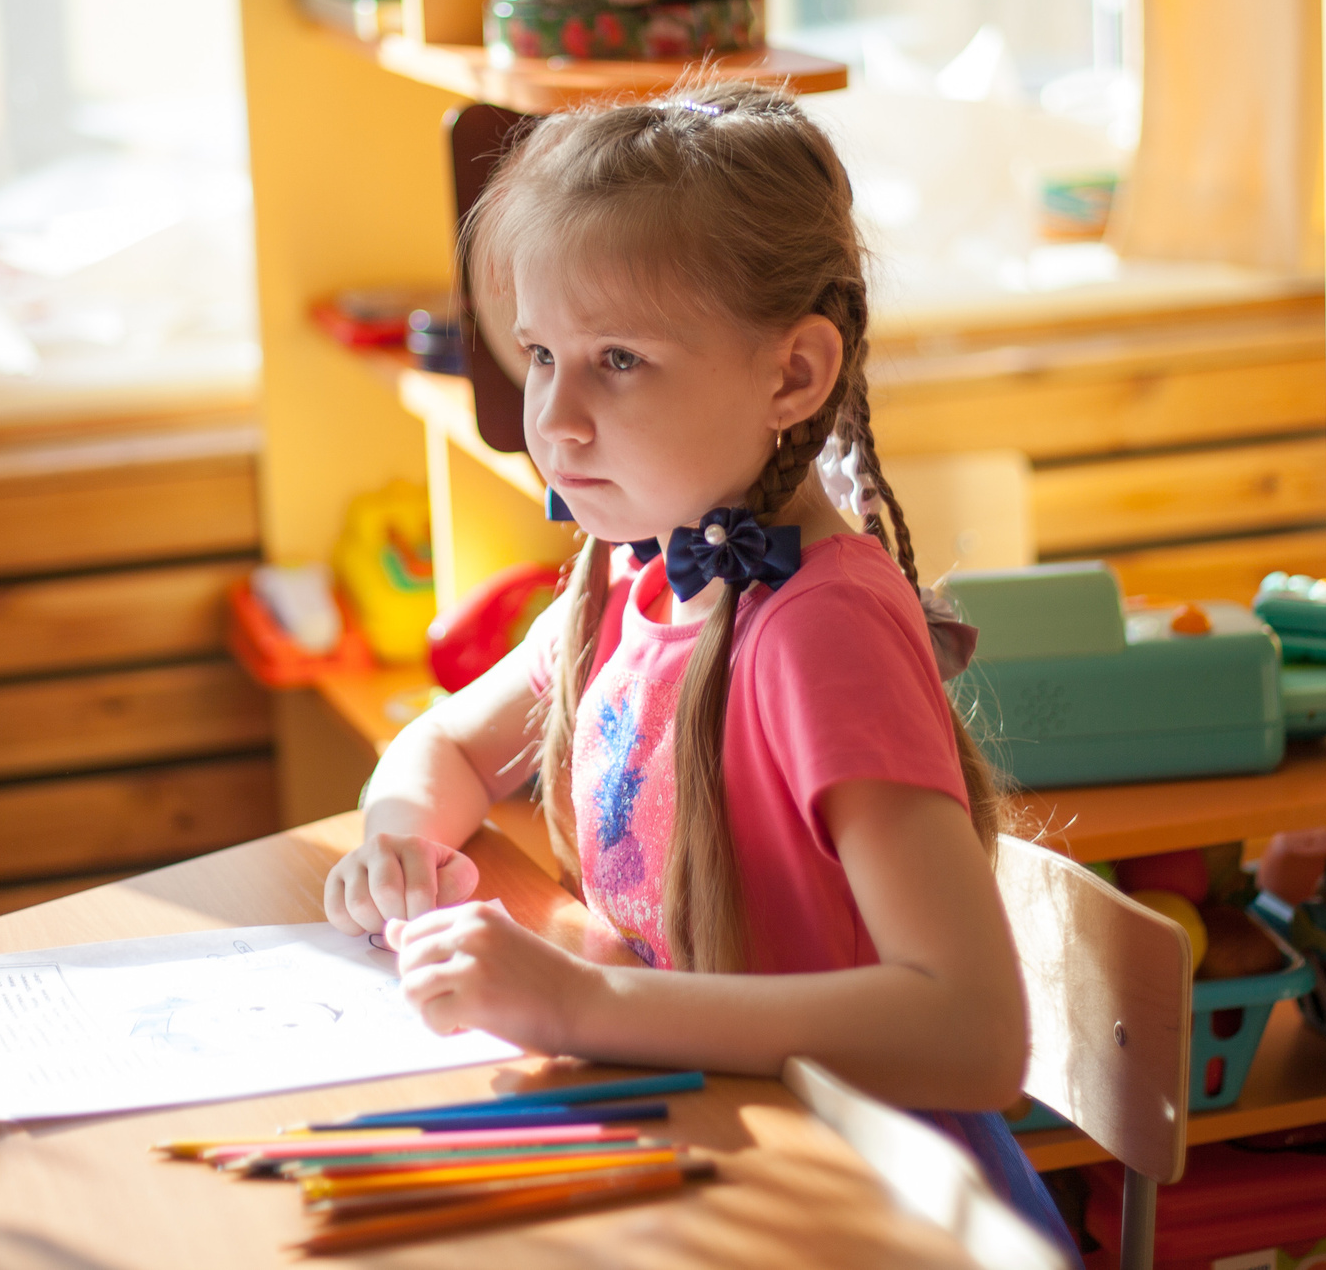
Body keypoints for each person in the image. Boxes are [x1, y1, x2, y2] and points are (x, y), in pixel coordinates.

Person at [319, 82, 1077, 1255]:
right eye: (540, 354)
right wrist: (399, 838)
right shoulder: (643, 571)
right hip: (715, 1139)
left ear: (793, 376)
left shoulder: (818, 632)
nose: (553, 420)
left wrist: (581, 1002)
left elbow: (973, 1029)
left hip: (858, 1199)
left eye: (618, 359)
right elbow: (447, 744)